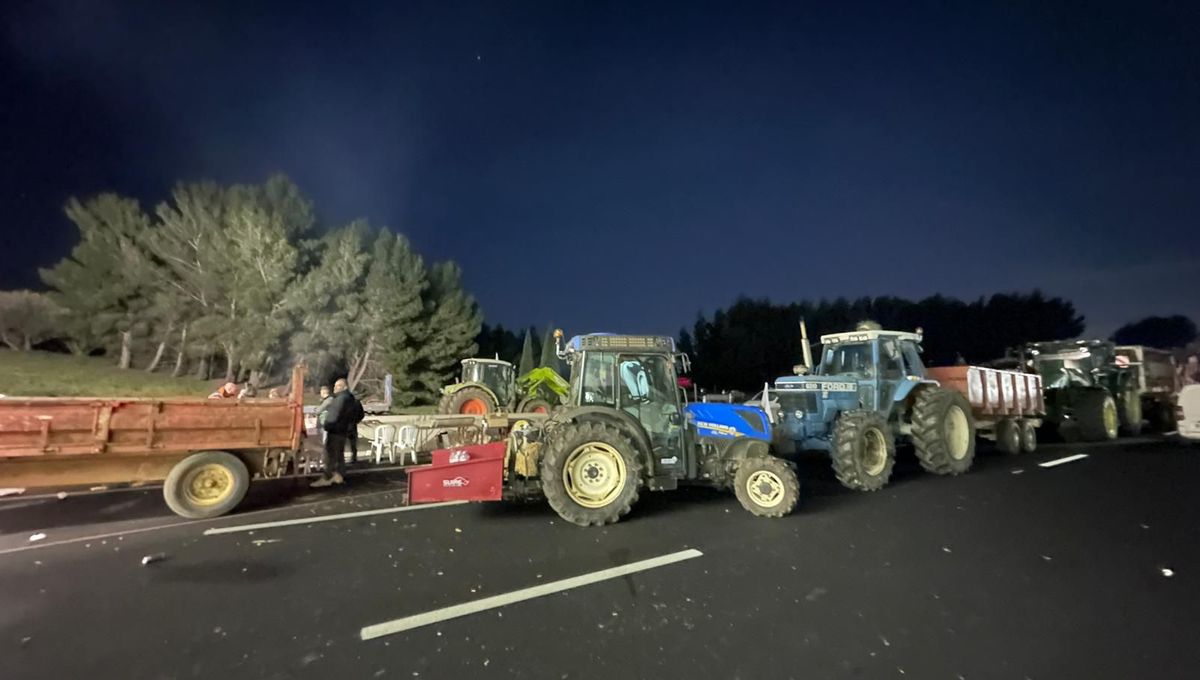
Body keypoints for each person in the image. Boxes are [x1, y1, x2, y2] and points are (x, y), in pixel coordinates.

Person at [312, 378, 360, 487]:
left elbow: (334, 415)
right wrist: (351, 424)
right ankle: (339, 475)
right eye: (334, 386)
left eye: (337, 386)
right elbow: (359, 414)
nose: (334, 388)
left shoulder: (340, 399)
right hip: (343, 430)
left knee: (330, 455)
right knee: (339, 454)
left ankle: (327, 477)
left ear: (344, 387)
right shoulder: (352, 399)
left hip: (335, 430)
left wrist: (328, 426)